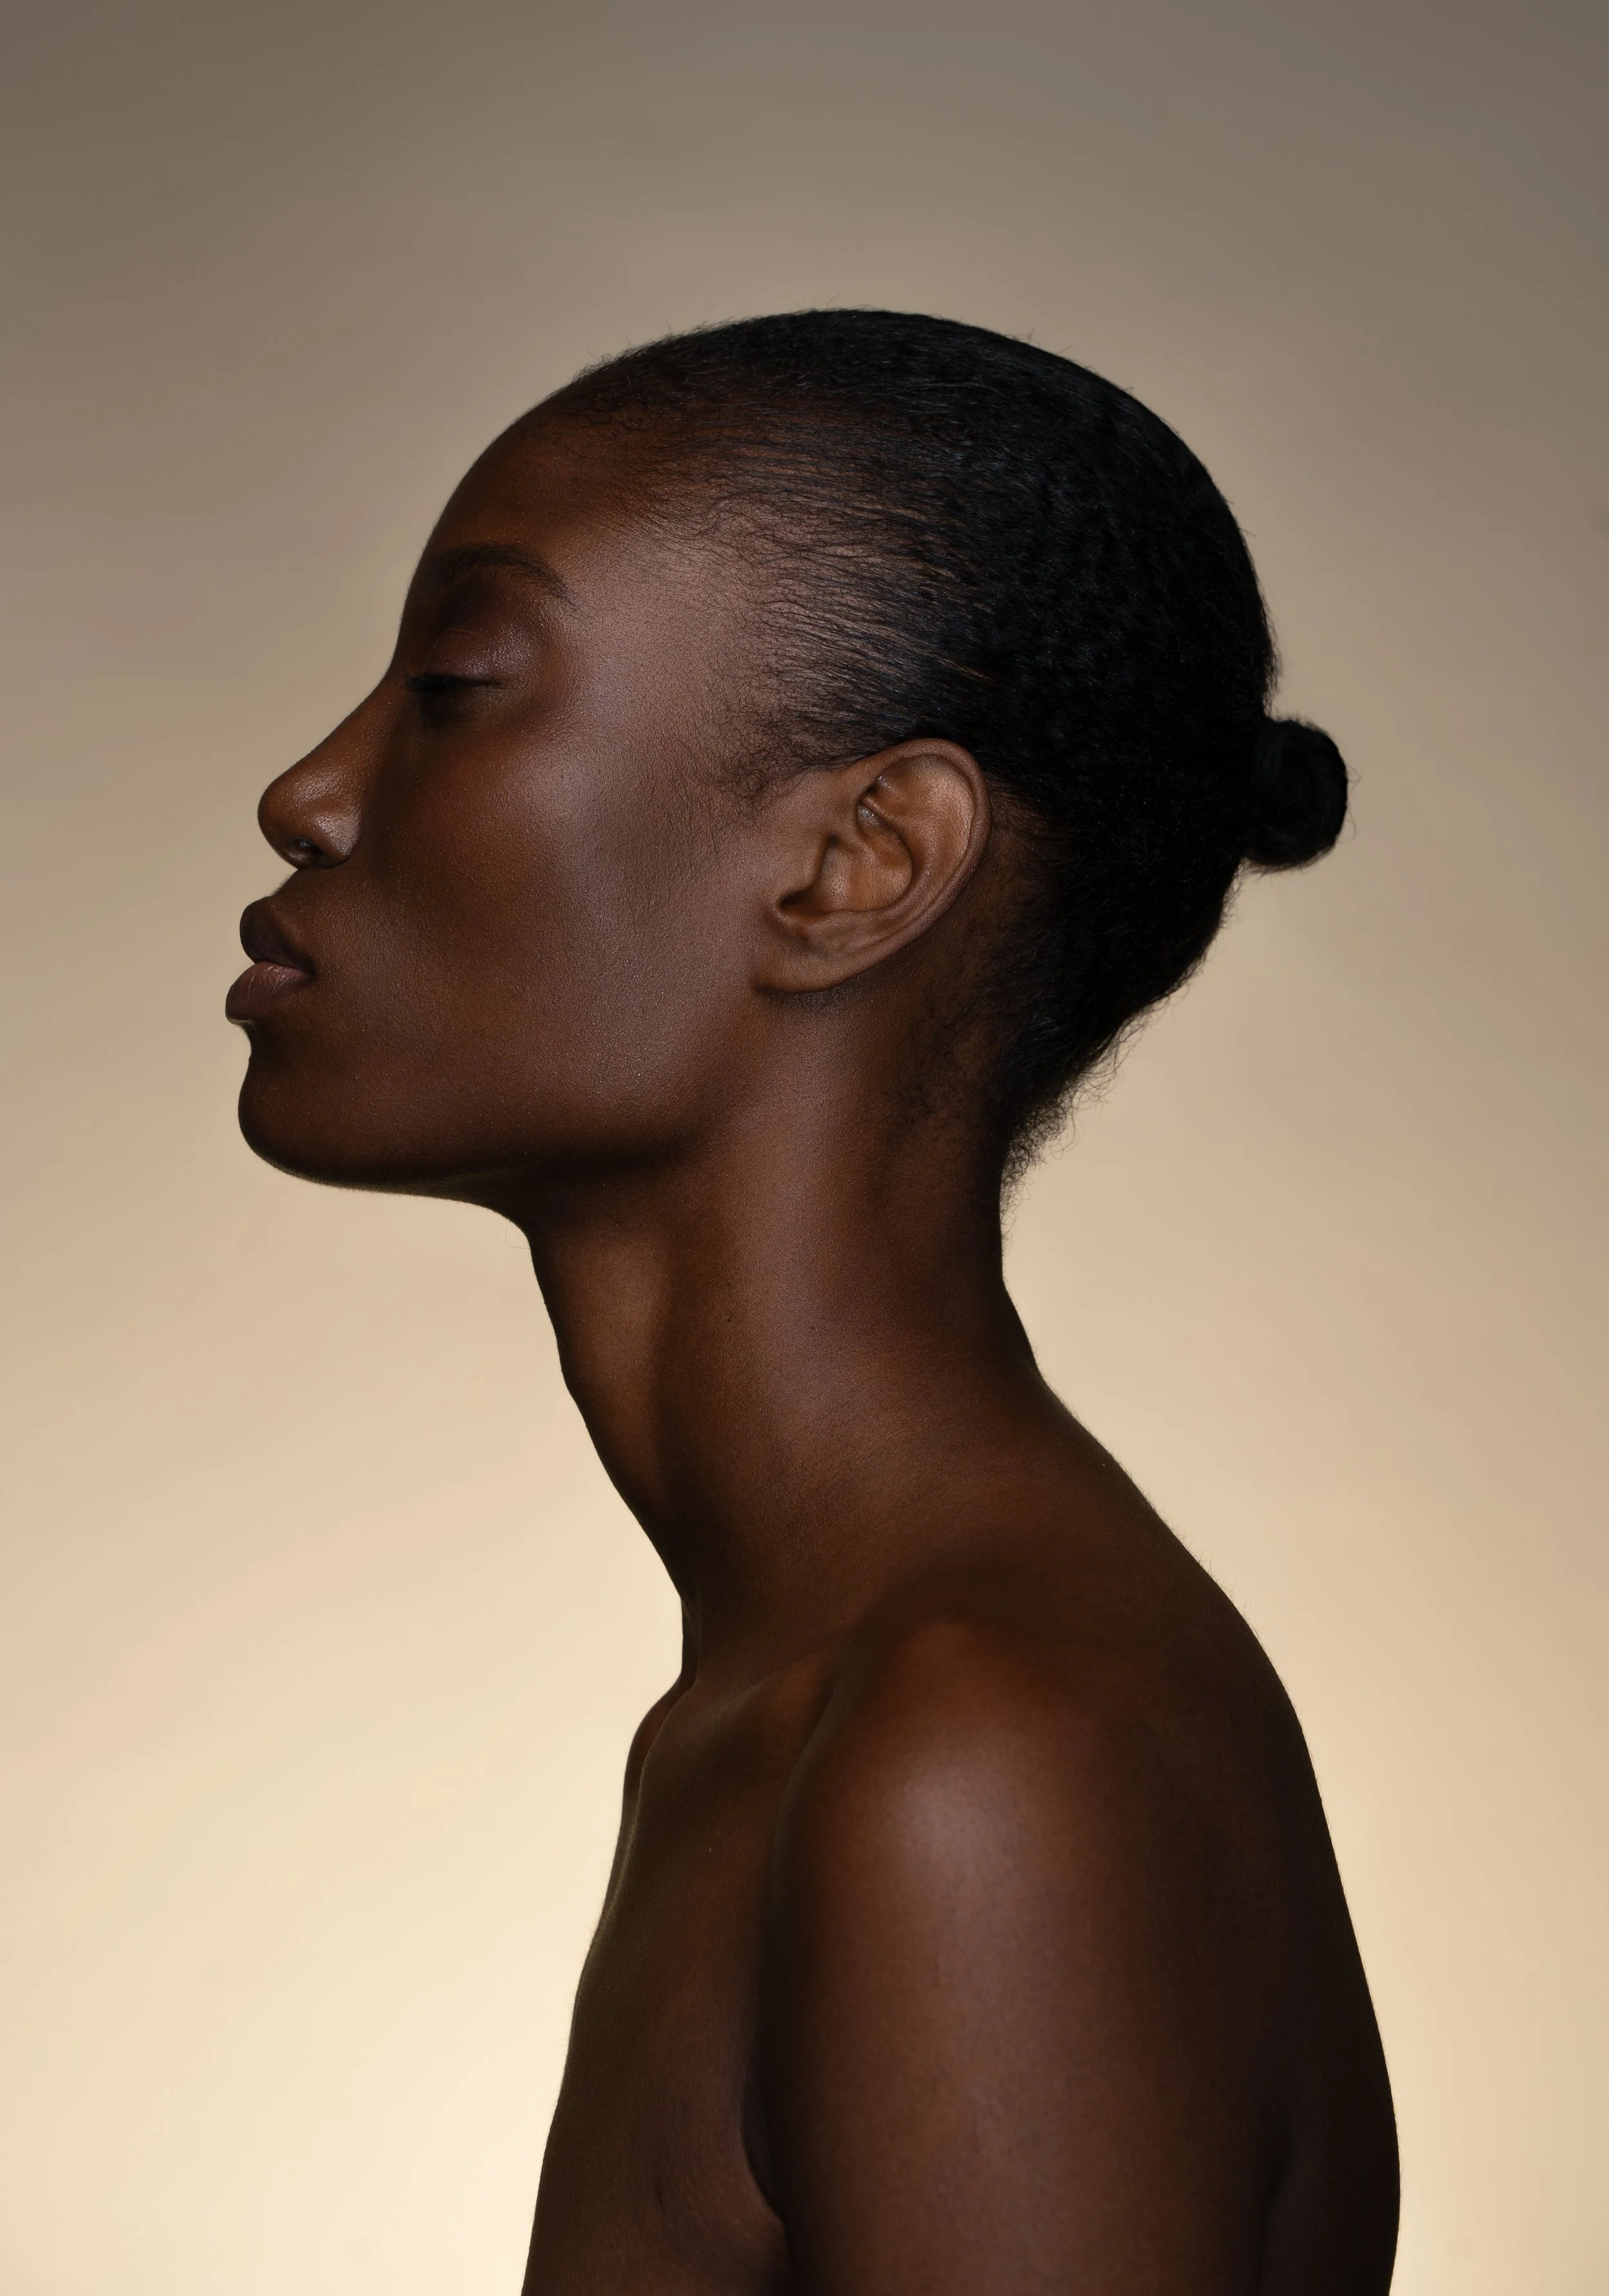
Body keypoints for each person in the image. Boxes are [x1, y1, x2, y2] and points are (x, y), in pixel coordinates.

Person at [227, 310, 1398, 2294]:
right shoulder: (786, 1716)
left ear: (860, 863)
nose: (308, 791)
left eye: (454, 688)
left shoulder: (983, 1757)